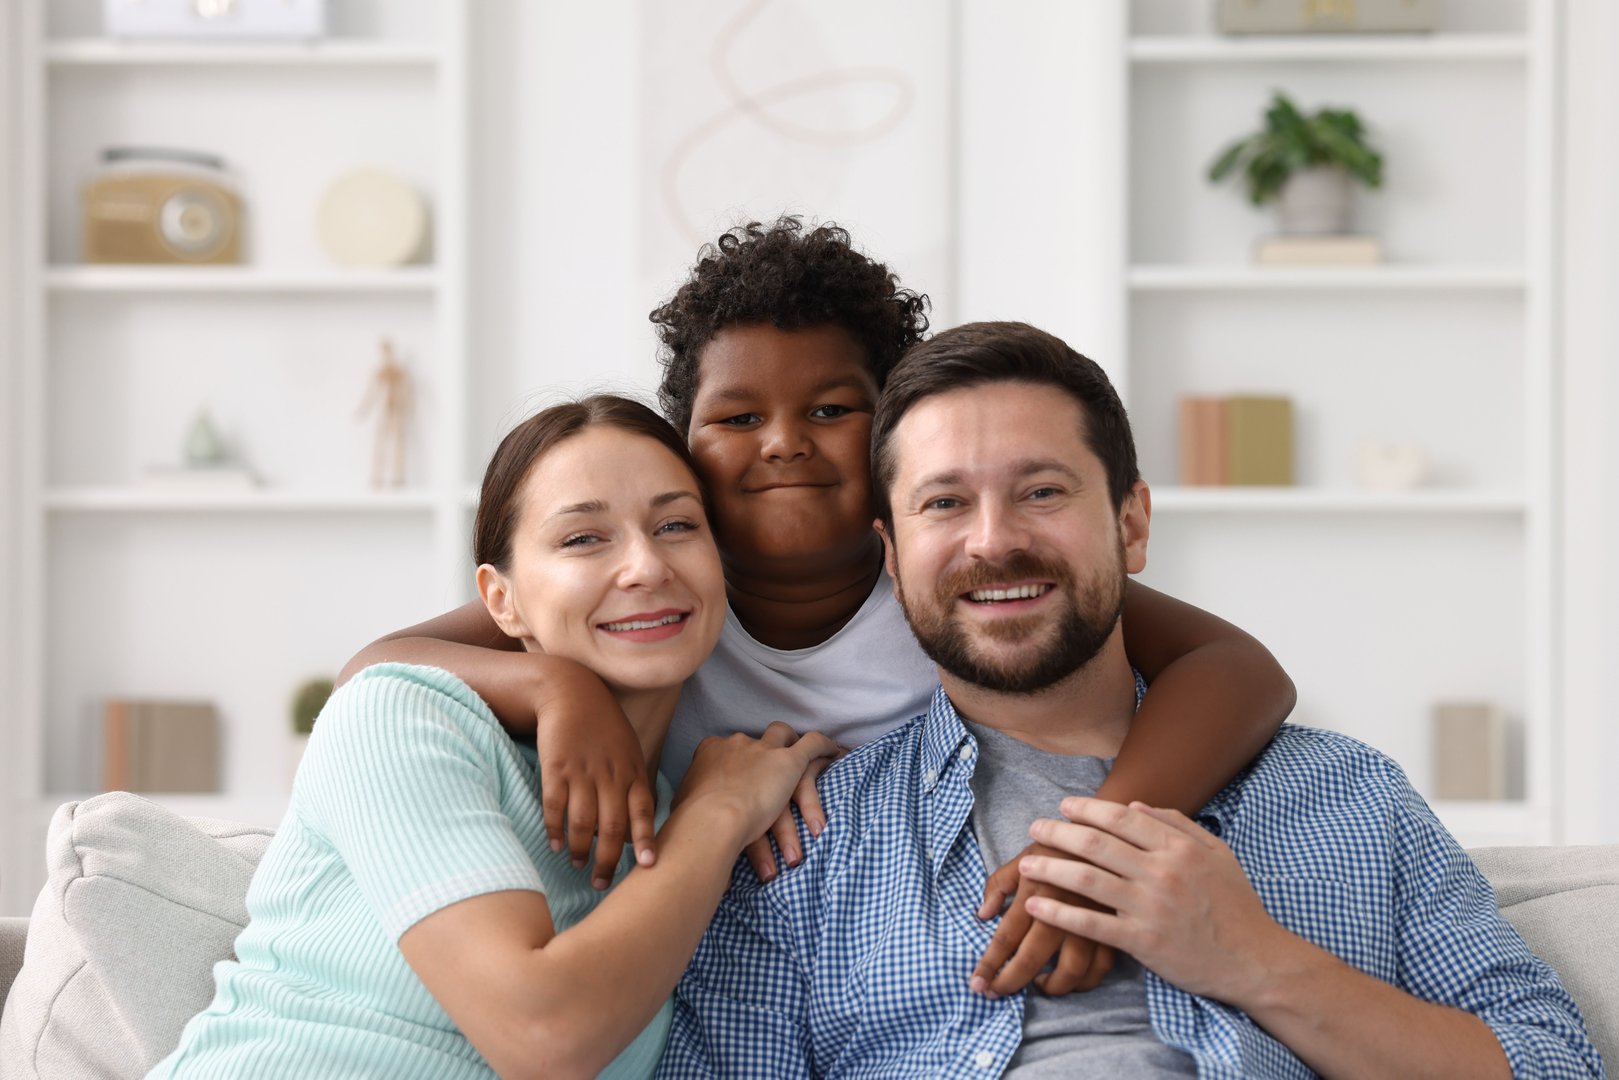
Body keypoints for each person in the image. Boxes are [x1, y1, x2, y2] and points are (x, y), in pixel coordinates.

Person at [340, 217, 1297, 995]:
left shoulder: (949, 583)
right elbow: (373, 668)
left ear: (895, 443)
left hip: (898, 938)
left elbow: (1240, 669)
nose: (785, 443)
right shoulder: (656, 598)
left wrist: (1092, 848)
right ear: (683, 446)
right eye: (737, 418)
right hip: (695, 947)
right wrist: (555, 689)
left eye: (833, 411)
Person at [658, 322, 1603, 1079]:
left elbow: (1551, 1065)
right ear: (892, 555)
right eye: (944, 504)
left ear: (1132, 523)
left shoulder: (1347, 799)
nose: (993, 542)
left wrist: (1253, 961)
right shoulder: (809, 848)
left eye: (1040, 490)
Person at [149, 396, 838, 1079]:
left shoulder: (669, 824)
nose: (646, 568)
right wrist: (714, 815)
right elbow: (543, 1035)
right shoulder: (404, 716)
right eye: (583, 538)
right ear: (501, 600)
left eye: (677, 525)